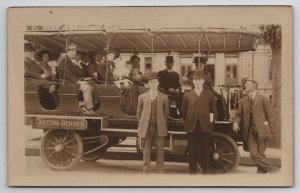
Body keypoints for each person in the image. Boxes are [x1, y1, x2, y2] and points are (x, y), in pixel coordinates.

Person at [233, 79, 279, 173]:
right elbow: (239, 115)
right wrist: (235, 122)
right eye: (245, 84)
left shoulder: (263, 98)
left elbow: (269, 115)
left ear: (254, 86)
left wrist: (272, 131)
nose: (246, 85)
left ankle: (261, 174)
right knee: (253, 154)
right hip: (249, 131)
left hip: (262, 130)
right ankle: (273, 169)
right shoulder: (243, 100)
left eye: (248, 84)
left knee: (261, 154)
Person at [181, 70, 217, 174]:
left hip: (205, 127)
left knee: (205, 151)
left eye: (199, 80)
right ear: (192, 81)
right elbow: (184, 112)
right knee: (192, 151)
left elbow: (213, 112)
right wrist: (189, 120)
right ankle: (192, 171)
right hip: (192, 127)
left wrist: (210, 123)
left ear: (203, 81)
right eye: (195, 80)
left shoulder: (209, 94)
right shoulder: (187, 95)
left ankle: (206, 171)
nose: (197, 82)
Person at [137, 72, 169, 174]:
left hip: (159, 127)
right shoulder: (142, 97)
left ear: (158, 83)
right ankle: (146, 171)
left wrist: (161, 122)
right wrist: (144, 123)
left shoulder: (164, 97)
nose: (153, 84)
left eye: (155, 82)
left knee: (160, 150)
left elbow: (166, 114)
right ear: (148, 84)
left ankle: (160, 171)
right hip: (147, 127)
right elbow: (138, 114)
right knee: (146, 150)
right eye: (151, 82)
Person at [58, 43, 98, 114]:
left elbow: (79, 73)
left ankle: (83, 105)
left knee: (92, 85)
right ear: (68, 51)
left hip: (72, 81)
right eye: (72, 51)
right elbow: (67, 74)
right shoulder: (64, 60)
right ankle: (88, 108)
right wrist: (78, 81)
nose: (74, 53)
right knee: (87, 88)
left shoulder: (72, 61)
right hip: (67, 82)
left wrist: (84, 79)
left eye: (75, 51)